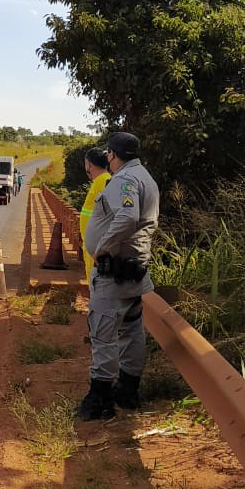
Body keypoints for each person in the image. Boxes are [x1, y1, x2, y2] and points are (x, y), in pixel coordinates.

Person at [78, 132, 159, 420]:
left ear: (112, 154)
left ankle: (100, 400)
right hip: (133, 268)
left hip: (115, 272)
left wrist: (102, 249)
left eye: (108, 155)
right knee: (131, 330)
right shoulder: (145, 176)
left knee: (103, 332)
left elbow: (127, 217)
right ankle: (127, 389)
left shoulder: (125, 179)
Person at [78, 147, 111, 283]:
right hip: (92, 244)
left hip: (98, 247)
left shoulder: (105, 181)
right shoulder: (100, 181)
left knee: (97, 283)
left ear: (89, 164)